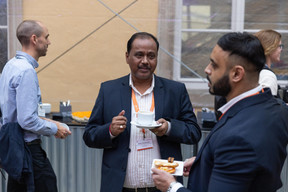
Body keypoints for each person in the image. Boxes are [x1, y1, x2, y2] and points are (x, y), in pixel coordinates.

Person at [152, 32, 288, 192]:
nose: (207, 70)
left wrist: (172, 187)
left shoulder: (238, 138)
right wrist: (204, 162)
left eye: (214, 65)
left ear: (237, 74)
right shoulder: (276, 108)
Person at [83, 32, 201, 192]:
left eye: (151, 56)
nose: (145, 61)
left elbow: (194, 132)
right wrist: (110, 130)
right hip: (120, 187)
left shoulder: (175, 90)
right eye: (139, 55)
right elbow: (89, 135)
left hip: (163, 188)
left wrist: (169, 128)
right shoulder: (109, 90)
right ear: (127, 57)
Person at [0, 20, 71, 192]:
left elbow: (18, 114)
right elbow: (27, 120)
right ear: (34, 39)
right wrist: (55, 129)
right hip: (28, 152)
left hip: (15, 149)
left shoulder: (11, 65)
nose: (49, 42)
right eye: (46, 37)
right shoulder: (26, 71)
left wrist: (52, 123)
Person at [254, 29, 283, 97]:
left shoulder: (254, 71)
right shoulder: (267, 76)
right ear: (270, 47)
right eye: (279, 46)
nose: (281, 50)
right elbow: (268, 106)